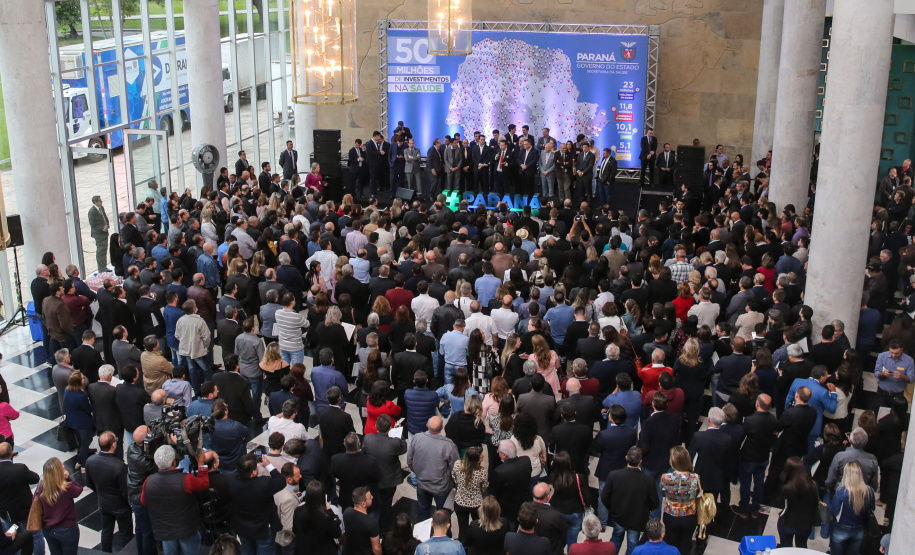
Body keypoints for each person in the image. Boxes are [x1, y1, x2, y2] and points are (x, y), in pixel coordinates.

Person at [141, 445, 209, 555]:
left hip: (165, 530)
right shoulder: (186, 480)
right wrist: (201, 464)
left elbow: (144, 501)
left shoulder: (149, 481)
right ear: (173, 462)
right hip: (186, 530)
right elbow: (204, 484)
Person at [600, 447, 659, 555]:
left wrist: (612, 508)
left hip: (619, 516)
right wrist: (644, 509)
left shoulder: (614, 475)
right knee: (632, 543)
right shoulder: (648, 480)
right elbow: (655, 503)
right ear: (640, 462)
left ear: (626, 458)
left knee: (616, 538)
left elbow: (604, 496)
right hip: (637, 519)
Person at [226, 453, 286, 555]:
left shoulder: (230, 481)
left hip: (242, 526)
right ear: (253, 472)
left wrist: (246, 463)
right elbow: (281, 481)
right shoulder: (264, 484)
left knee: (247, 551)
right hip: (263, 529)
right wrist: (268, 466)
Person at [85, 432, 132, 553]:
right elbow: (124, 490)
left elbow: (89, 483)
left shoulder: (90, 460)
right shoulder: (119, 466)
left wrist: (100, 492)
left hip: (103, 503)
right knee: (126, 534)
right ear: (113, 445)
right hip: (120, 506)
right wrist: (130, 504)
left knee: (106, 532)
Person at [407, 416, 459, 521]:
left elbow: (410, 461)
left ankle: (421, 536)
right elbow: (455, 469)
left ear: (427, 425)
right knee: (443, 516)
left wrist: (418, 473)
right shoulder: (448, 445)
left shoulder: (417, 438)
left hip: (422, 483)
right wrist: (455, 485)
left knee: (422, 512)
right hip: (441, 488)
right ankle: (444, 536)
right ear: (442, 427)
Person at [35, 458, 84, 555]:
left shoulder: (40, 487)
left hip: (48, 529)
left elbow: (36, 503)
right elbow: (79, 489)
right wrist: (68, 478)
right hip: (67, 529)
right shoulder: (66, 487)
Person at [658, 446, 699, 555]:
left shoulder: (665, 478)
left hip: (671, 516)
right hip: (689, 516)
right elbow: (696, 493)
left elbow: (663, 491)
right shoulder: (695, 478)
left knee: (670, 547)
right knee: (685, 547)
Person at [547, 451, 592, 550]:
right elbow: (587, 497)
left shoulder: (553, 477)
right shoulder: (578, 478)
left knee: (559, 538)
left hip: (558, 511)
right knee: (572, 541)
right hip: (575, 512)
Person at [829, 461, 875, 555]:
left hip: (841, 528)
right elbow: (872, 509)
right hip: (859, 529)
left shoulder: (841, 492)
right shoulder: (869, 491)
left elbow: (833, 511)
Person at [0, 442, 40, 552]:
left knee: (12, 535)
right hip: (25, 511)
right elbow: (35, 478)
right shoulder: (19, 469)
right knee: (35, 536)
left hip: (6, 513)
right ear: (11, 453)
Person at [331, 433, 382, 512]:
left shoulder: (336, 459)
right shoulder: (370, 461)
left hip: (347, 498)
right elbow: (378, 477)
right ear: (359, 444)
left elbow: (335, 474)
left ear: (344, 444)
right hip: (366, 500)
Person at [776, 456, 819, 548]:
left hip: (787, 522)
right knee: (802, 547)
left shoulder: (786, 487)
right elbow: (815, 504)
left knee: (786, 548)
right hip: (805, 524)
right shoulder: (812, 485)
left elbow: (781, 504)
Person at [488, 440, 532, 527]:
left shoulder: (499, 471)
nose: (498, 453)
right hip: (526, 503)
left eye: (499, 451)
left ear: (504, 455)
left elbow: (495, 492)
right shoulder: (526, 460)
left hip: (509, 509)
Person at [293, 480, 342, 555]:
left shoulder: (298, 511)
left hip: (304, 550)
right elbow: (337, 533)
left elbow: (295, 530)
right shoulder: (326, 516)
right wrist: (330, 512)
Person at [452, 446, 488, 542]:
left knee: (462, 528)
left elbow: (455, 478)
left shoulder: (457, 465)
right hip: (476, 504)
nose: (483, 456)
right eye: (481, 455)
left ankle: (463, 547)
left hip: (460, 502)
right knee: (478, 527)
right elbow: (484, 488)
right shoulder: (482, 472)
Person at [63, 372, 93, 472]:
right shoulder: (81, 395)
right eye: (82, 378)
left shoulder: (67, 390)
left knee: (80, 443)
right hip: (83, 423)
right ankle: (84, 466)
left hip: (72, 422)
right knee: (85, 444)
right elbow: (88, 409)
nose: (84, 379)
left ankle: (79, 461)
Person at [343, 487, 382, 555]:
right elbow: (376, 549)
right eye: (370, 498)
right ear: (363, 504)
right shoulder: (372, 523)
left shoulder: (347, 512)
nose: (372, 497)